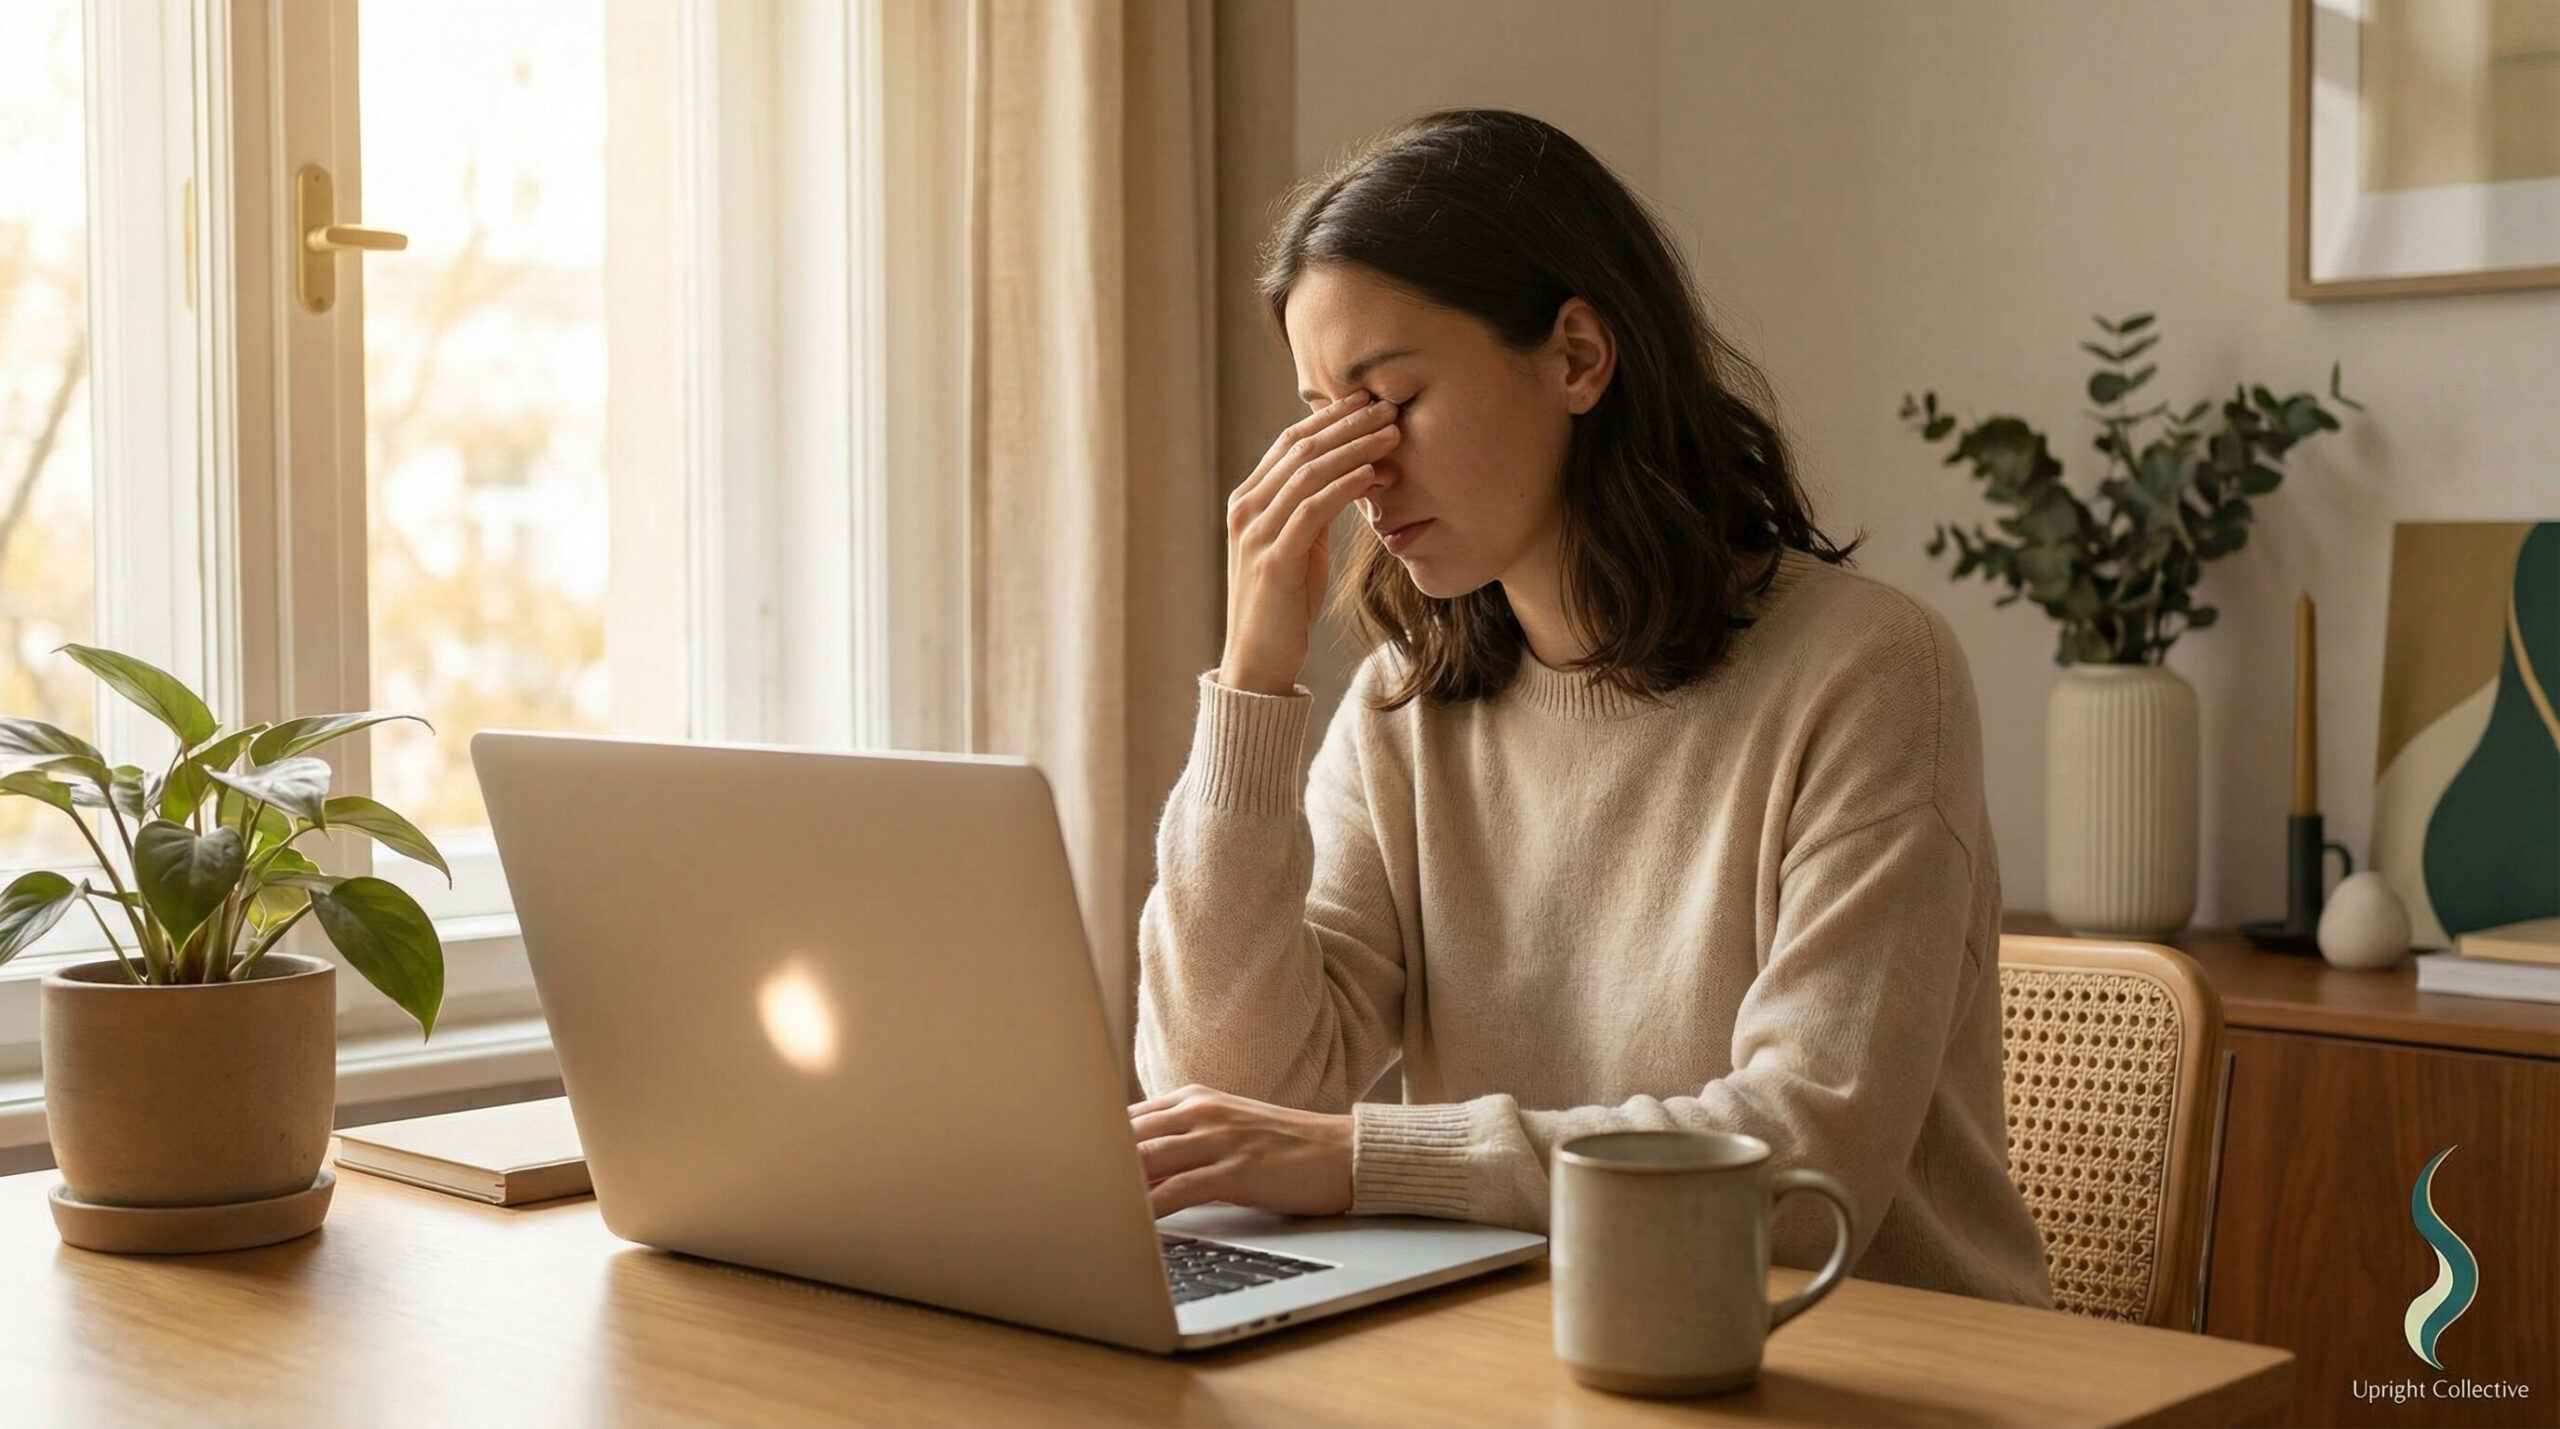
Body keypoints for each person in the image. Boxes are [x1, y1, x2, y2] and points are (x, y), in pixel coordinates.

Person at [1126, 108, 2051, 1307]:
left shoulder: (1870, 671)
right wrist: (1253, 681)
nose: (1355, 470)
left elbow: (1800, 1167)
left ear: (1575, 357)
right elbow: (1227, 1093)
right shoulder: (1402, 715)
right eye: (1320, 416)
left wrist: (1371, 1159)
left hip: (1865, 1360)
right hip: (1536, 1354)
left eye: (1388, 401)